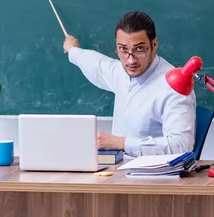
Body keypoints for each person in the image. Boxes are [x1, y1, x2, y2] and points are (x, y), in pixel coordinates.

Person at [63, 11, 196, 157]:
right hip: (116, 171)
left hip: (155, 176)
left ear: (154, 44)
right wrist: (73, 50)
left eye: (139, 49)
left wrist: (121, 143)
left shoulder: (174, 85)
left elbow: (182, 145)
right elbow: (96, 63)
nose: (130, 60)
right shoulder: (120, 72)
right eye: (123, 49)